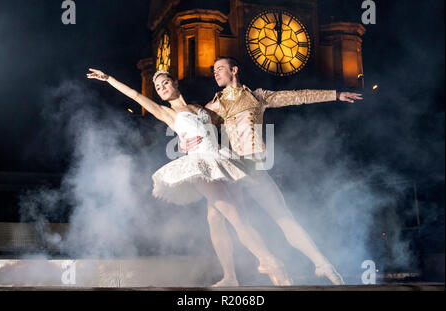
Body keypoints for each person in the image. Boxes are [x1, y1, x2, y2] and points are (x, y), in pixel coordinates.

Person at [86, 68, 293, 286]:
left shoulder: (199, 108)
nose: (162, 88)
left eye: (165, 83)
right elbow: (135, 96)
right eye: (158, 87)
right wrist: (109, 79)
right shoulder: (168, 113)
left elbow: (231, 123)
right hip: (200, 166)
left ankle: (230, 276)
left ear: (175, 83)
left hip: (220, 161)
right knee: (234, 216)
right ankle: (269, 260)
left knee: (215, 219)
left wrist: (254, 141)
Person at [180, 56, 364, 286]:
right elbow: (193, 128)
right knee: (216, 218)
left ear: (234, 70)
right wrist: (183, 143)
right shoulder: (214, 106)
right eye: (214, 70)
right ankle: (232, 276)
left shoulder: (256, 96)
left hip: (253, 167)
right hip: (230, 170)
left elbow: (297, 97)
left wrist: (334, 94)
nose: (215, 73)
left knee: (282, 217)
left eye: (220, 69)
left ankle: (323, 264)